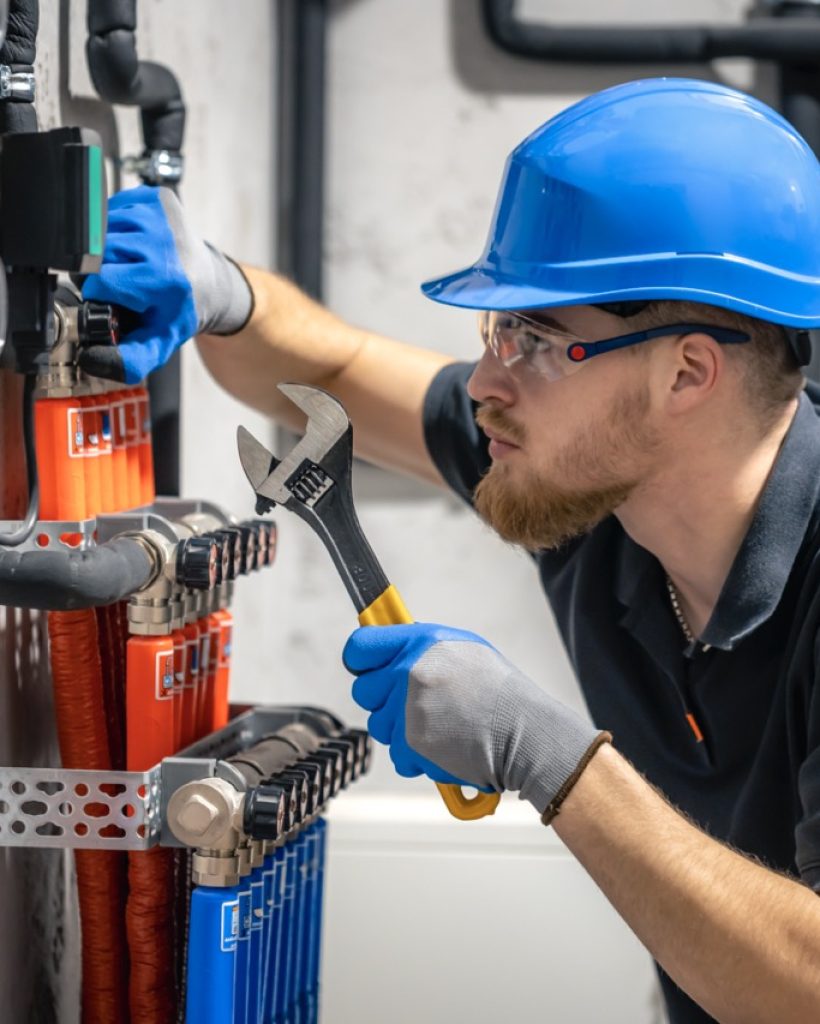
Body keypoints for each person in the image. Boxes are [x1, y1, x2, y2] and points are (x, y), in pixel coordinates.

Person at [83, 78, 820, 1023]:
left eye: (533, 335)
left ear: (686, 372)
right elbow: (333, 368)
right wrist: (221, 292)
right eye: (493, 328)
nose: (482, 380)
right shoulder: (593, 481)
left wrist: (551, 757)